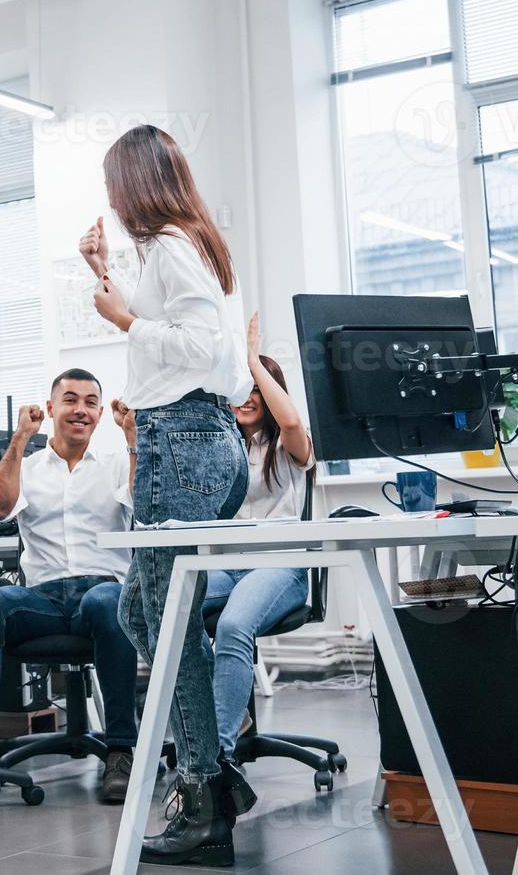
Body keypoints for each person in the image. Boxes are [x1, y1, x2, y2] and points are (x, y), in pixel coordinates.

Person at [79, 124, 254, 867]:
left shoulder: (175, 244)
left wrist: (122, 319)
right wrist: (105, 271)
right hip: (205, 439)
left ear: (133, 185)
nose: (112, 204)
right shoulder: (192, 245)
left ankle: (203, 796)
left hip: (179, 439)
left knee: (169, 624)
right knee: (140, 613)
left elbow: (193, 347)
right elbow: (191, 335)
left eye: (114, 187)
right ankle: (216, 769)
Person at [0, 369, 140, 804]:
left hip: (101, 589)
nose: (81, 409)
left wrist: (131, 437)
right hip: (43, 598)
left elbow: (144, 507)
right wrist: (19, 440)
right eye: (71, 400)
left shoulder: (117, 462)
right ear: (51, 407)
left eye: (91, 402)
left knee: (110, 601)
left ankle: (120, 749)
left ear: (100, 412)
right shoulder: (30, 466)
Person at [202, 314, 316, 774]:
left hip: (278, 567)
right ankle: (225, 714)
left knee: (231, 627)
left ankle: (218, 761)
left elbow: (289, 418)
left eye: (256, 389)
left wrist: (252, 359)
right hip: (225, 566)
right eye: (240, 388)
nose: (247, 398)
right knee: (163, 616)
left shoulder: (288, 446)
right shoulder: (217, 448)